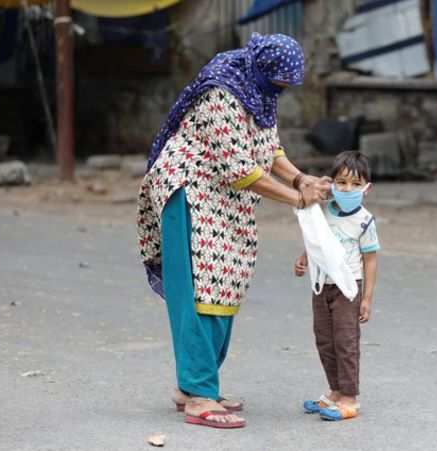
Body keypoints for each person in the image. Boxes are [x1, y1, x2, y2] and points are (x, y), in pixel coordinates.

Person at [136, 32, 331, 429]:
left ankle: (194, 386)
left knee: (225, 284)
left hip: (223, 198)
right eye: (278, 84)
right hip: (188, 193)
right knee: (199, 292)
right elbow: (239, 168)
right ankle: (199, 396)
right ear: (263, 70)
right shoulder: (223, 93)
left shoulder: (259, 92)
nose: (280, 91)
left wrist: (300, 180)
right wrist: (296, 200)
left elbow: (269, 149)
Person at [293, 151, 380, 421]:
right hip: (321, 285)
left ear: (367, 188)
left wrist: (366, 298)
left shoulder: (365, 221)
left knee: (346, 342)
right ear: (332, 183)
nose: (348, 189)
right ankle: (335, 390)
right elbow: (317, 240)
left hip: (348, 288)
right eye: (342, 182)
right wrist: (305, 258)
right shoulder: (324, 212)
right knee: (325, 340)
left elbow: (370, 261)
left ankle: (349, 398)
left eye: (355, 184)